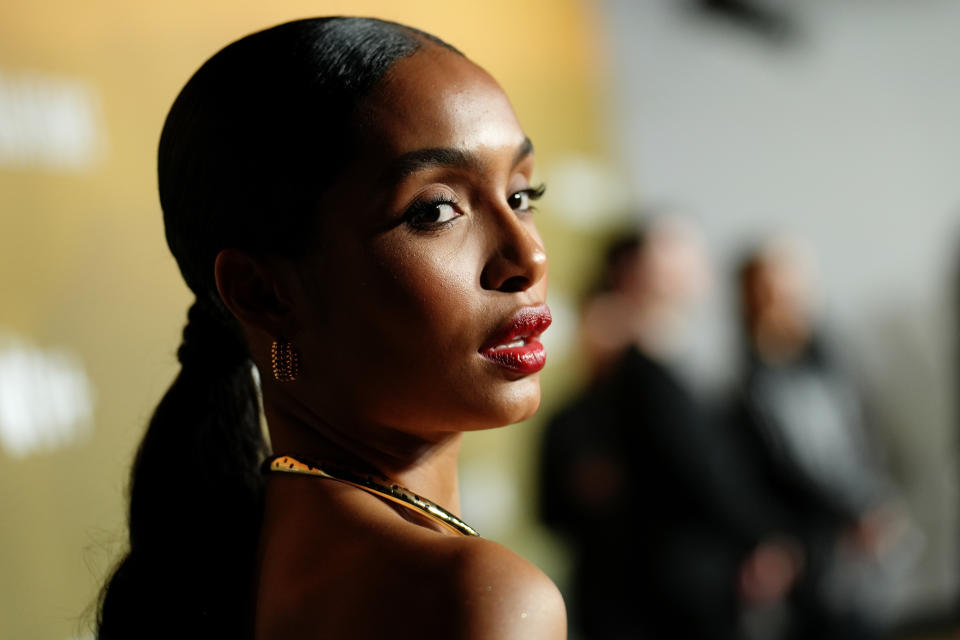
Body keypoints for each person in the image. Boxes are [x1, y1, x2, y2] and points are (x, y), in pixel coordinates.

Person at [96, 17, 565, 640]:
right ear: (264, 293)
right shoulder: (474, 598)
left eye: (521, 195)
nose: (526, 257)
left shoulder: (252, 567)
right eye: (436, 210)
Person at [539, 220, 800, 640]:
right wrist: (766, 537)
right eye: (678, 251)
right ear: (633, 273)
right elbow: (699, 471)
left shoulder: (670, 370)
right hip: (663, 595)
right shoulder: (634, 381)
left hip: (686, 584)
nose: (697, 262)